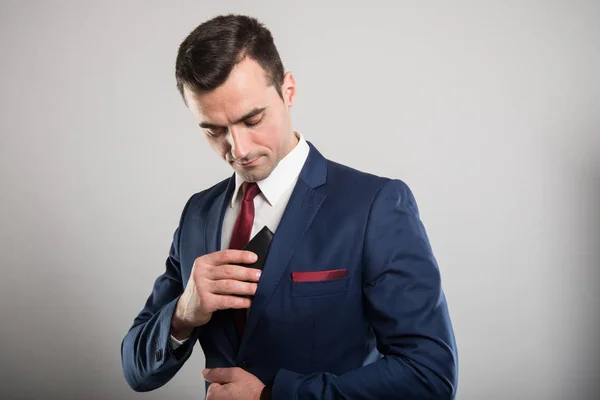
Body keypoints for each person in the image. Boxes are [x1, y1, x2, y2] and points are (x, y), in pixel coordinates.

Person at [120, 13, 458, 400]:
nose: (239, 149)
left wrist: (273, 397)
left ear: (288, 90)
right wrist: (183, 313)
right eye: (214, 130)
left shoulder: (375, 206)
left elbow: (430, 376)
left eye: (252, 119)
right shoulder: (198, 213)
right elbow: (136, 371)